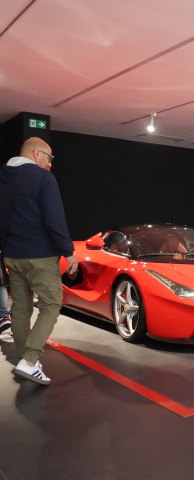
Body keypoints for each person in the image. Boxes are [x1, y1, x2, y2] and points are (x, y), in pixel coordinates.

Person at [0, 137, 78, 385]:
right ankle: (31, 360)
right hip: (40, 255)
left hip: (11, 254)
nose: (50, 163)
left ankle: (24, 357)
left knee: (20, 308)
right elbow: (54, 219)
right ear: (35, 154)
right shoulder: (43, 179)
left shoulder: (4, 177)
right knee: (51, 304)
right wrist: (68, 251)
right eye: (48, 157)